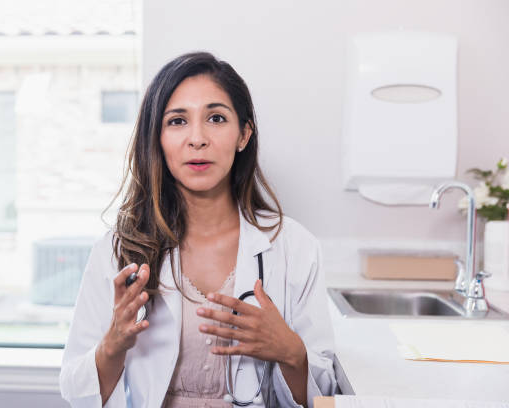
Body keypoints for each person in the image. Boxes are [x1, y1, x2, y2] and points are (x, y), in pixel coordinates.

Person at [59, 51, 337, 408]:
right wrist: (112, 344)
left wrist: (291, 352)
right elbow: (74, 389)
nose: (197, 138)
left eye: (216, 118)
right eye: (177, 121)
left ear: (243, 134)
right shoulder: (119, 249)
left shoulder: (294, 247)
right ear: (156, 138)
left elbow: (326, 396)